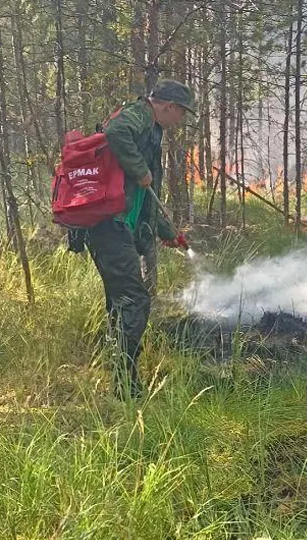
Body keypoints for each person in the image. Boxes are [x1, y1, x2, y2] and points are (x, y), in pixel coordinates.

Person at [76, 79, 196, 399]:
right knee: (135, 300)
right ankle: (125, 385)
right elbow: (115, 132)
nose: (180, 120)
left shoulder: (151, 128)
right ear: (168, 106)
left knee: (122, 301)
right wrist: (140, 169)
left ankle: (120, 375)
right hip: (108, 227)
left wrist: (168, 234)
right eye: (181, 113)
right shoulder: (140, 116)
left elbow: (142, 198)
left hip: (119, 225)